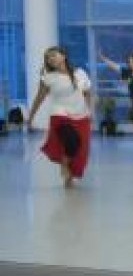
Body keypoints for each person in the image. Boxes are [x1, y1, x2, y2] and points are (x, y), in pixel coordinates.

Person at [27, 47, 93, 189]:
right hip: (60, 114)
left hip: (81, 115)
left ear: (63, 56)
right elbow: (39, 98)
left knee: (80, 148)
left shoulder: (80, 73)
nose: (51, 59)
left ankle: (69, 172)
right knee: (72, 141)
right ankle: (64, 162)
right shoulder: (48, 77)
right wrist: (31, 116)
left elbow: (87, 93)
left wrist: (89, 110)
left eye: (53, 56)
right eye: (48, 58)